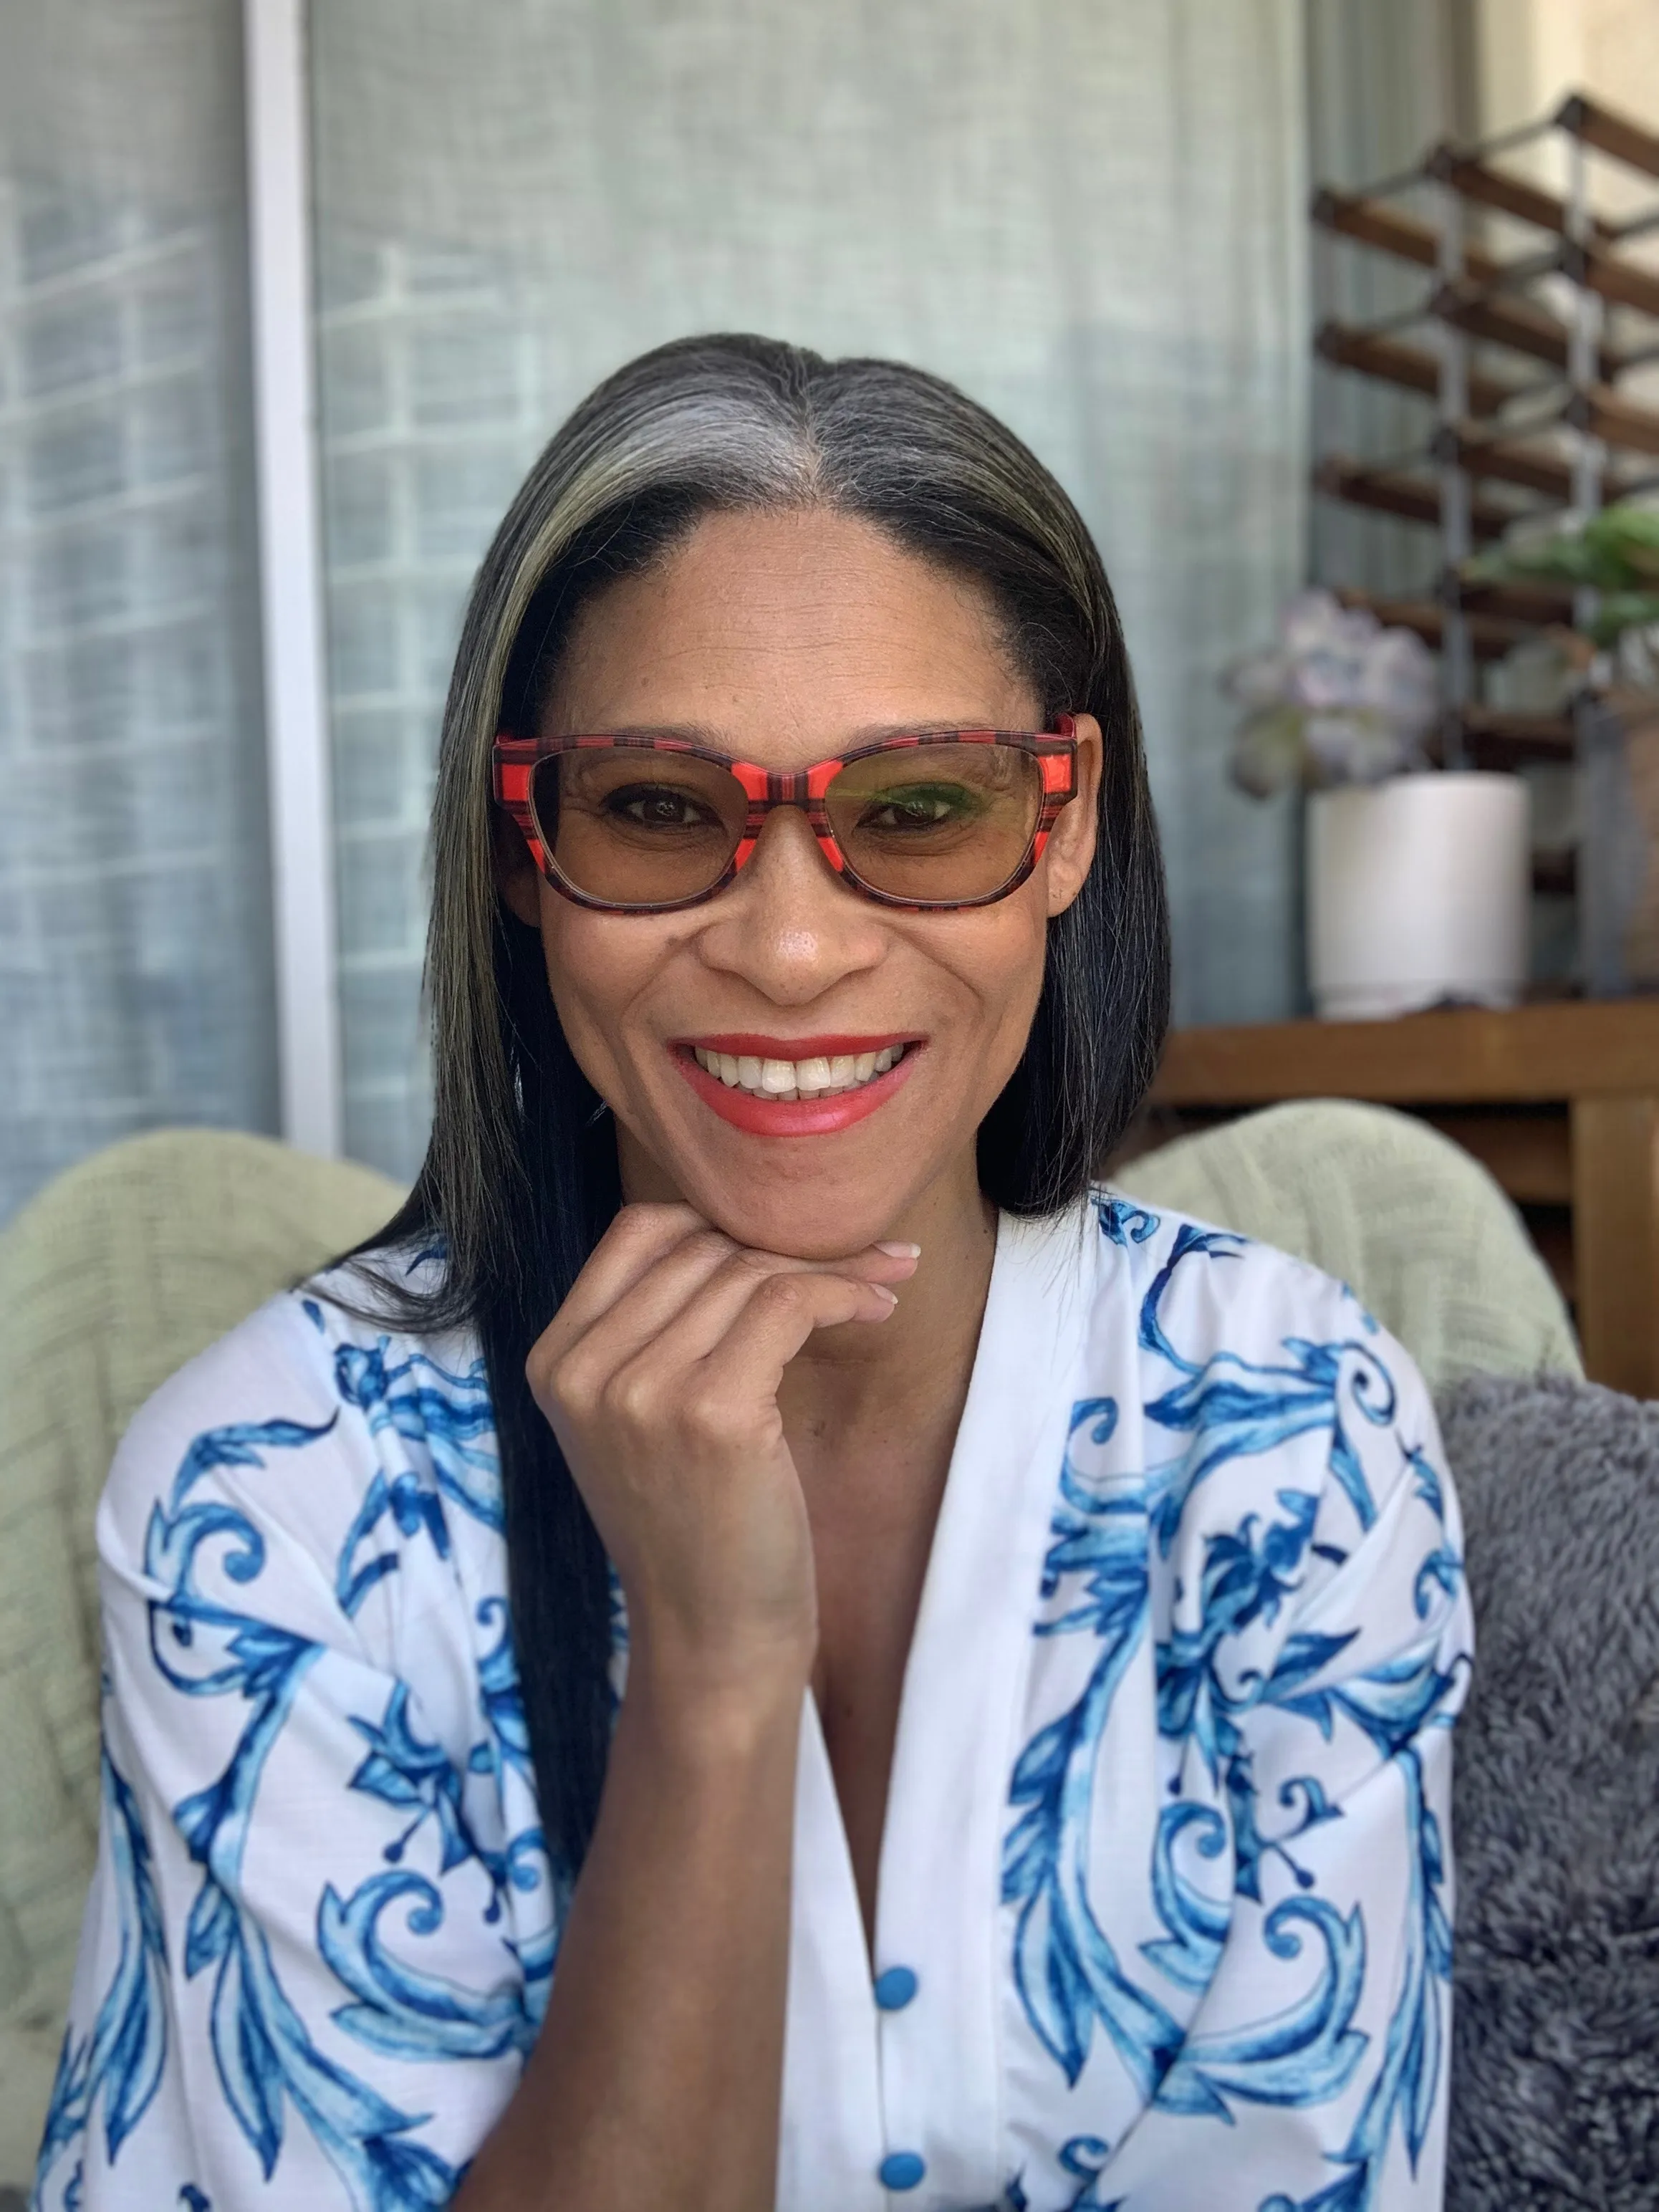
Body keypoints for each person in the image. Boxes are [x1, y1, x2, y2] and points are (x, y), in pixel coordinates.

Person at [37, 335, 1471, 2212]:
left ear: (1064, 828)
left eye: (920, 807)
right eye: (657, 807)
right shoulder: (271, 1506)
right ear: (523, 850)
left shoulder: (1293, 1433)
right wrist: (714, 1673)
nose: (791, 952)